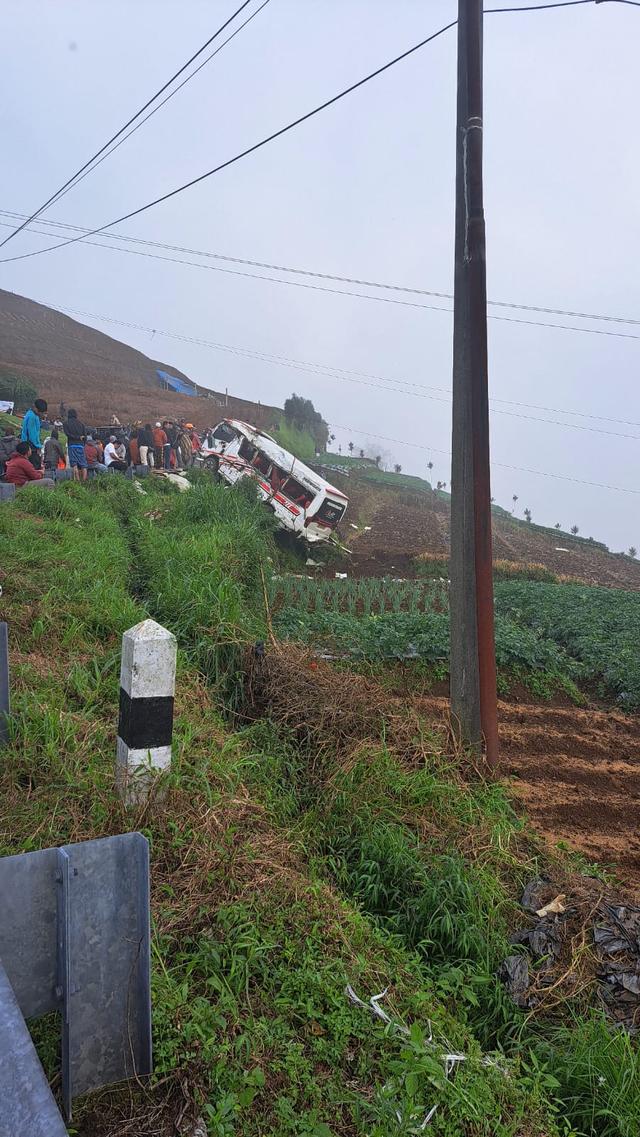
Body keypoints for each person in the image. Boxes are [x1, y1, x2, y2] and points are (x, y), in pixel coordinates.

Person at [21, 397, 48, 469]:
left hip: (29, 445)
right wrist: (38, 446)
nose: (42, 414)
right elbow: (32, 435)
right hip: (31, 446)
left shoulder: (31, 414)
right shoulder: (32, 417)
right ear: (36, 409)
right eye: (42, 412)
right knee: (35, 468)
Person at [63, 409, 88, 482]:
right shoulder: (81, 424)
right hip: (80, 446)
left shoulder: (66, 423)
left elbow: (68, 434)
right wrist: (82, 443)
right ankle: (84, 481)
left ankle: (77, 481)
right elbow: (85, 436)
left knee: (74, 465)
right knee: (83, 464)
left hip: (71, 446)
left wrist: (75, 437)